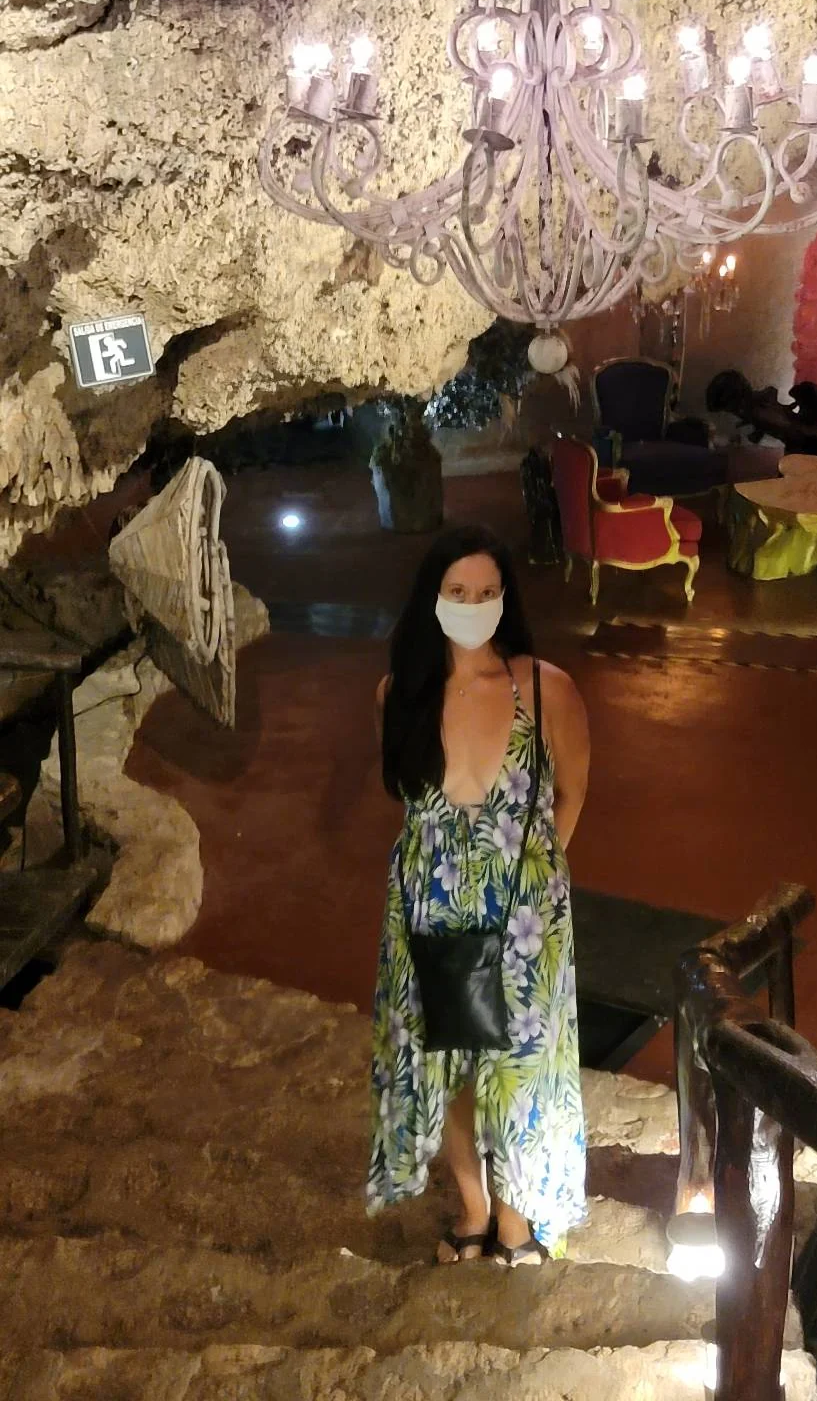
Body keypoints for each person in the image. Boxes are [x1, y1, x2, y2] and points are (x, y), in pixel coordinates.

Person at [366, 524, 590, 1264]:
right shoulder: (399, 692)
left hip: (523, 917)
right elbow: (406, 793)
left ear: (506, 599)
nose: (473, 605)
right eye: (458, 593)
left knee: (520, 1071)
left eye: (487, 593)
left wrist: (527, 886)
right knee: (449, 1065)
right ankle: (470, 1206)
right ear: (432, 599)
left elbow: (573, 794)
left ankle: (516, 1220)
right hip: (426, 907)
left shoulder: (543, 687)